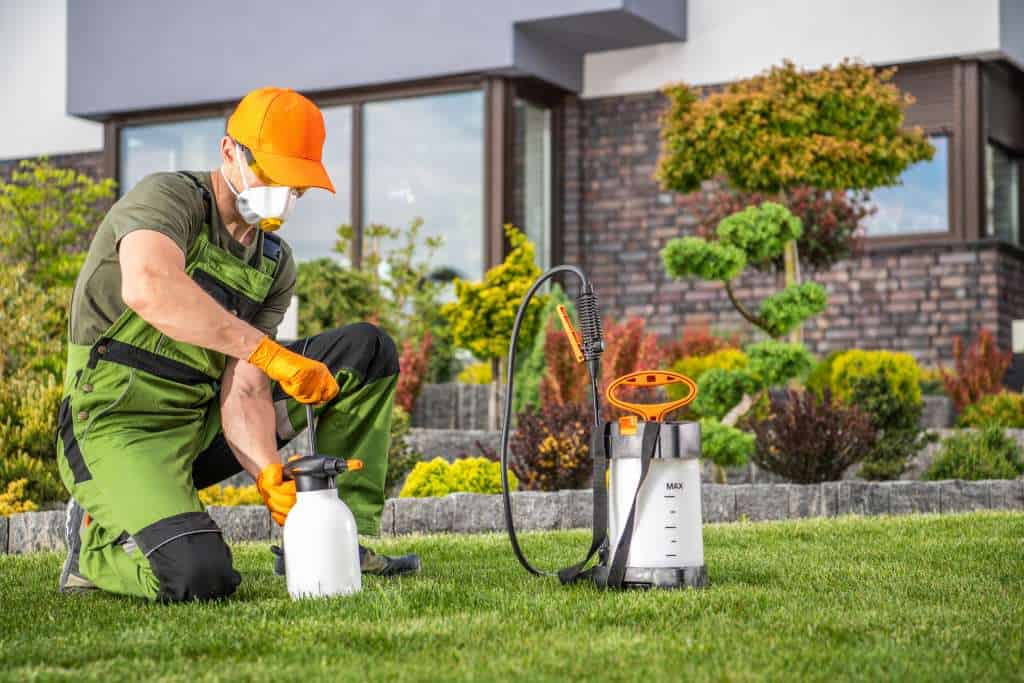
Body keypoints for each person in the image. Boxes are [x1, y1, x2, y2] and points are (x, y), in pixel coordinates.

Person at [57, 86, 419, 602]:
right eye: (270, 174)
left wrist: (268, 471)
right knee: (200, 579)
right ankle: (93, 548)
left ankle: (336, 540)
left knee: (366, 352)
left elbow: (245, 390)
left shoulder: (274, 263)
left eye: (295, 184)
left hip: (199, 422)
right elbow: (149, 287)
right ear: (230, 152)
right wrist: (269, 353)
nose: (284, 193)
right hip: (116, 423)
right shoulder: (167, 199)